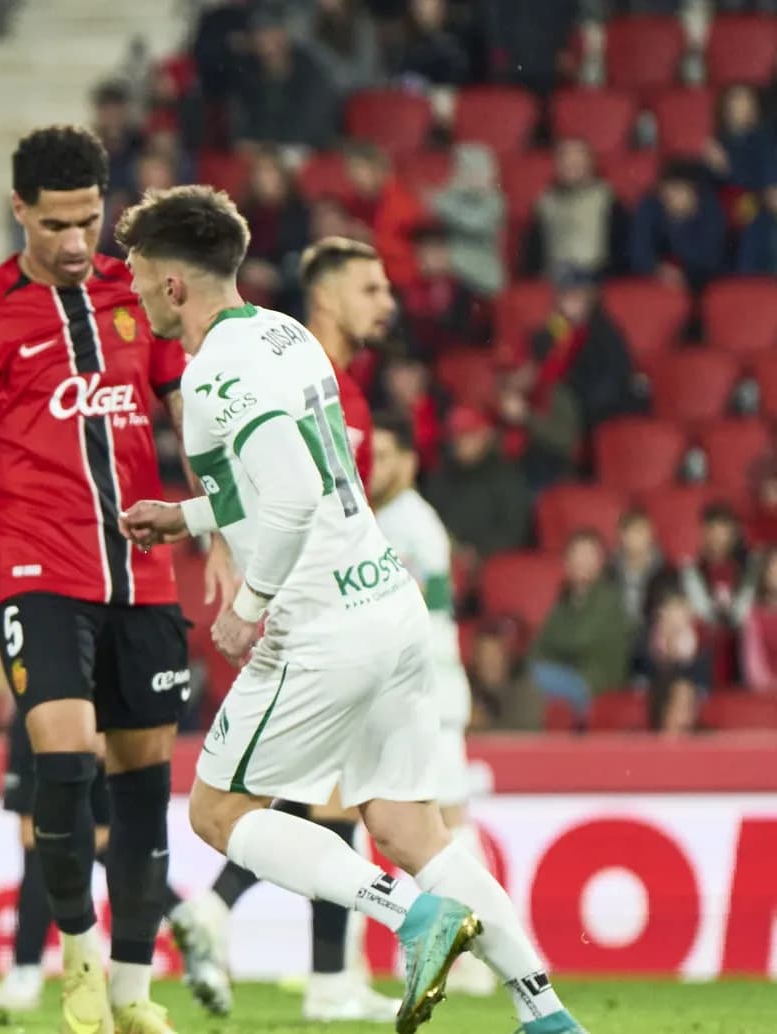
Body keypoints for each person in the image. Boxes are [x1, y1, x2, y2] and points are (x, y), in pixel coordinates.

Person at [117, 184, 588, 1034]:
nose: (137, 292)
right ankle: (546, 1016)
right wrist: (189, 516)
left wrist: (248, 604)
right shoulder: (283, 334)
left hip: (321, 623)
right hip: (388, 605)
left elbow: (294, 498)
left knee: (219, 812)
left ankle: (411, 919)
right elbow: (297, 482)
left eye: (141, 276)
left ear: (173, 284)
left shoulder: (216, 370)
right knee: (414, 829)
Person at [0, 123, 229, 1034]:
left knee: (142, 788)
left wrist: (216, 525)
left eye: (88, 222)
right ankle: (80, 965)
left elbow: (195, 420)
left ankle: (135, 994)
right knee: (63, 765)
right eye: (55, 223)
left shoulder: (140, 296)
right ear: (19, 209)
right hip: (37, 568)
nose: (72, 242)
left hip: (143, 574)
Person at [178, 234, 399, 1022]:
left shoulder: (324, 379)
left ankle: (313, 968)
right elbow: (279, 494)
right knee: (315, 796)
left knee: (321, 795)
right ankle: (293, 956)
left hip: (327, 605)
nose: (389, 303)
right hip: (314, 611)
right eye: (372, 290)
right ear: (329, 297)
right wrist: (228, 562)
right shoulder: (300, 374)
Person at [371, 413, 495, 997]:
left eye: (386, 456)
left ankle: (477, 950)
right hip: (416, 691)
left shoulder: (412, 524)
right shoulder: (393, 520)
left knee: (445, 823)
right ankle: (458, 950)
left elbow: (414, 605)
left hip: (430, 692)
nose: (374, 466)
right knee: (429, 820)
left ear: (409, 463)